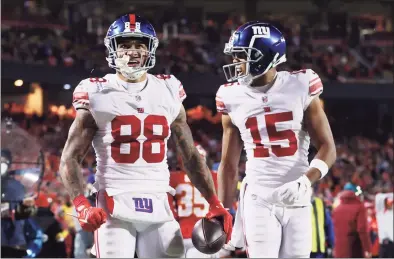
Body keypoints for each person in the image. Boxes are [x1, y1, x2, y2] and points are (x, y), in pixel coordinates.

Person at [59, 14, 232, 258]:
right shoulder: (97, 91)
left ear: (151, 48)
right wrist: (80, 204)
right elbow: (70, 158)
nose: (132, 52)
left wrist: (214, 202)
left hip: (159, 200)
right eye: (125, 45)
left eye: (139, 44)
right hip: (113, 202)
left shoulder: (168, 89)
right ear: (112, 50)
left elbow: (190, 155)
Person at [216, 21, 336, 258]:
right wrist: (222, 211)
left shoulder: (300, 84)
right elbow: (228, 165)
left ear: (266, 56)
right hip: (258, 196)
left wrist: (304, 182)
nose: (236, 64)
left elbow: (328, 147)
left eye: (242, 56)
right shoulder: (230, 95)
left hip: (297, 196)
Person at [332, 183, 372, 258]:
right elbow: (362, 230)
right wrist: (368, 249)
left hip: (339, 251)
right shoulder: (359, 208)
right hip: (354, 250)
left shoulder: (336, 209)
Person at [375, 192, 393, 258]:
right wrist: (388, 196)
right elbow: (378, 197)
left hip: (392, 244)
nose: (389, 204)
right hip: (382, 244)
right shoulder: (380, 214)